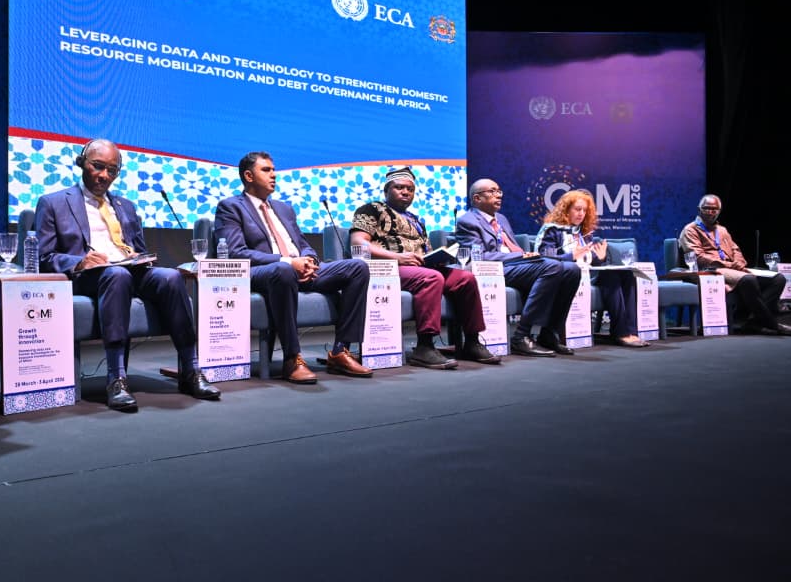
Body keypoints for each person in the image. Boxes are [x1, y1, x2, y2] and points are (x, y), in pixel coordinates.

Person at [35, 138, 221, 412]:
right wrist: (79, 261)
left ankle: (191, 370)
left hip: (128, 270)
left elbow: (139, 250)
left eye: (112, 170)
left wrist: (139, 257)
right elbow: (44, 257)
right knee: (117, 275)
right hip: (88, 276)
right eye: (98, 166)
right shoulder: (53, 203)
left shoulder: (126, 206)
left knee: (171, 277)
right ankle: (116, 378)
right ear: (82, 163)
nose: (104, 175)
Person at [213, 151, 373, 384]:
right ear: (248, 176)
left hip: (298, 268)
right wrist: (288, 261)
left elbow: (303, 244)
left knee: (357, 267)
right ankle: (292, 358)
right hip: (264, 272)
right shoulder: (230, 207)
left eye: (274, 170)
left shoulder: (284, 208)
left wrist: (309, 261)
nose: (274, 175)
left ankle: (340, 351)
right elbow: (235, 252)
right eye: (266, 170)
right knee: (284, 271)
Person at [349, 166, 500, 369]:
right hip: (386, 268)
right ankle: (425, 346)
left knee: (466, 278)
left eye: (410, 189)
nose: (405, 192)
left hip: (419, 268)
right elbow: (358, 243)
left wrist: (436, 259)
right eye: (399, 188)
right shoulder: (371, 209)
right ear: (386, 191)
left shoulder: (416, 219)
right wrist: (398, 257)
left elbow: (424, 251)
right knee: (431, 277)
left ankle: (472, 342)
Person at [455, 178, 582, 357]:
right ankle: (521, 336)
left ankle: (549, 333)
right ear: (477, 198)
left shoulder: (501, 219)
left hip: (516, 265)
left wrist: (524, 257)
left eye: (499, 191)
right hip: (493, 270)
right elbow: (480, 256)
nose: (498, 195)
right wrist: (520, 256)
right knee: (552, 266)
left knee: (571, 270)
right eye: (492, 191)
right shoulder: (467, 221)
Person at [533, 189, 649, 347]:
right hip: (564, 276)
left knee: (627, 275)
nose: (581, 214)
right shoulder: (551, 230)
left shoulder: (584, 233)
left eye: (584, 210)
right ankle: (622, 333)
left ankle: (631, 331)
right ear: (566, 210)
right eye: (577, 209)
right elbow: (544, 258)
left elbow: (587, 260)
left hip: (587, 276)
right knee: (611, 279)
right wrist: (571, 256)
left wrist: (599, 258)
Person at [679, 194, 791, 335]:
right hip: (711, 269)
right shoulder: (690, 230)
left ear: (719, 211)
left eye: (714, 209)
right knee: (748, 279)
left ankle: (754, 322)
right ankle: (773, 324)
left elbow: (735, 250)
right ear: (699, 209)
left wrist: (739, 262)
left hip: (733, 269)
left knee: (778, 278)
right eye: (706, 208)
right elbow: (698, 256)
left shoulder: (722, 230)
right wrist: (729, 265)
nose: (710, 212)